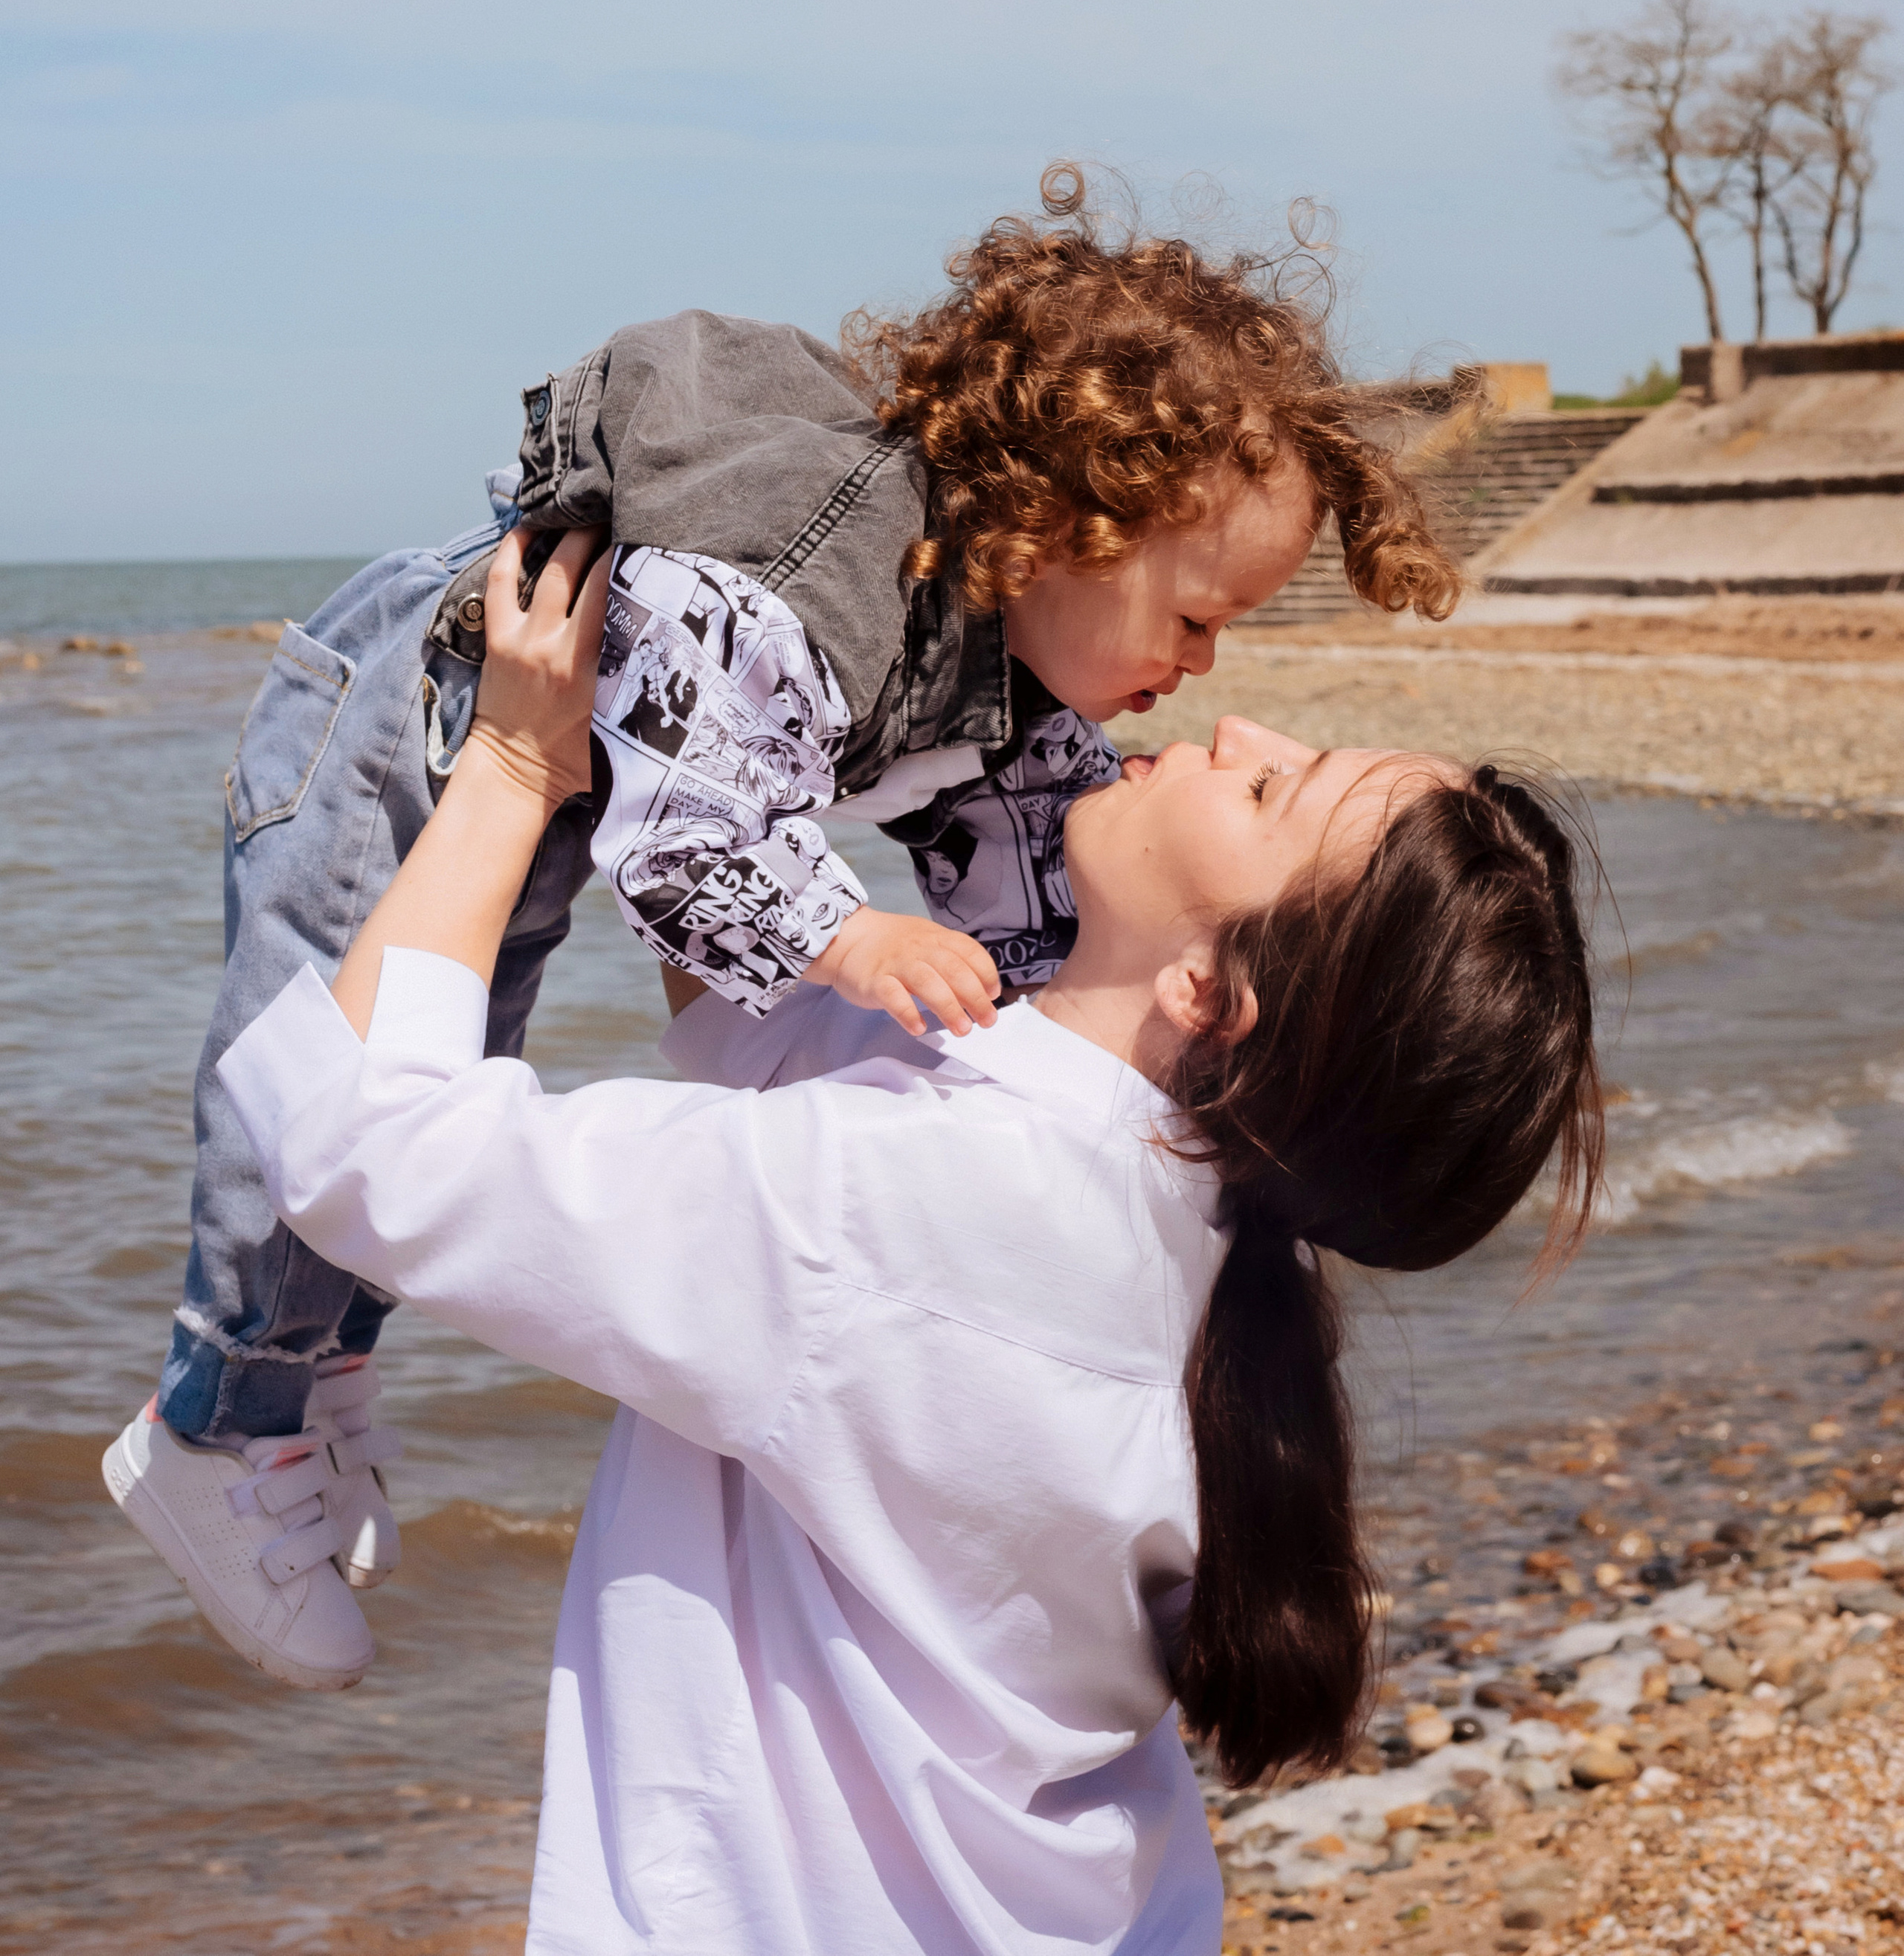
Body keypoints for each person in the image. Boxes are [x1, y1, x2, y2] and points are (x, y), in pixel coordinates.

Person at [134, 524, 1601, 1955]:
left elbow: (362, 1151)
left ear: (1217, 992)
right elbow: (741, 1024)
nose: (1241, 732)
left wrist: (518, 763)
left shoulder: (920, 1210)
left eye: (1277, 793)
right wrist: (724, 727)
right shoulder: (1169, 1218)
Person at [105, 172, 1465, 1690]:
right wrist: (850, 941)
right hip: (403, 725)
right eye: (1198, 618)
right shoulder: (826, 605)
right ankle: (219, 1420)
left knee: (453, 1041)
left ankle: (315, 1375)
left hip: (525, 778)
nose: (1207, 672)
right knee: (308, 1072)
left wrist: (1047, 1064)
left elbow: (1039, 881)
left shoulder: (1009, 672)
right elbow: (688, 828)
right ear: (1064, 526)